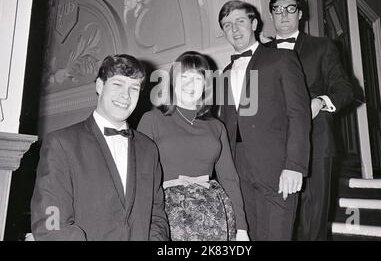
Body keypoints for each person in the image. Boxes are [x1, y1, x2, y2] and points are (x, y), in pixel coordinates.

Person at [31, 54, 169, 240]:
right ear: (99, 86)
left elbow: (157, 215)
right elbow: (50, 220)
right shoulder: (61, 143)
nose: (125, 95)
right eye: (118, 84)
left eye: (134, 88)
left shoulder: (149, 149)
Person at [217, 0, 311, 240]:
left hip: (278, 171)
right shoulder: (225, 73)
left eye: (240, 21)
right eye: (227, 25)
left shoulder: (282, 59)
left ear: (254, 23)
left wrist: (295, 166)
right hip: (239, 176)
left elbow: (298, 115)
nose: (234, 29)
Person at [268, 0, 354, 240]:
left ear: (301, 14)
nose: (283, 14)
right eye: (277, 9)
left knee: (313, 223)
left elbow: (345, 90)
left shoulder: (323, 46)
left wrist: (320, 102)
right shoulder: (261, 52)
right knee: (280, 219)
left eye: (290, 9)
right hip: (276, 148)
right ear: (271, 15)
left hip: (316, 143)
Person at [137, 51, 249, 241]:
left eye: (197, 78)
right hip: (167, 216)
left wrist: (242, 228)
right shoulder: (152, 120)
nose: (190, 84)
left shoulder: (216, 126)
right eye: (184, 77)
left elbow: (230, 179)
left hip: (215, 215)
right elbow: (139, 176)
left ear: (205, 85)